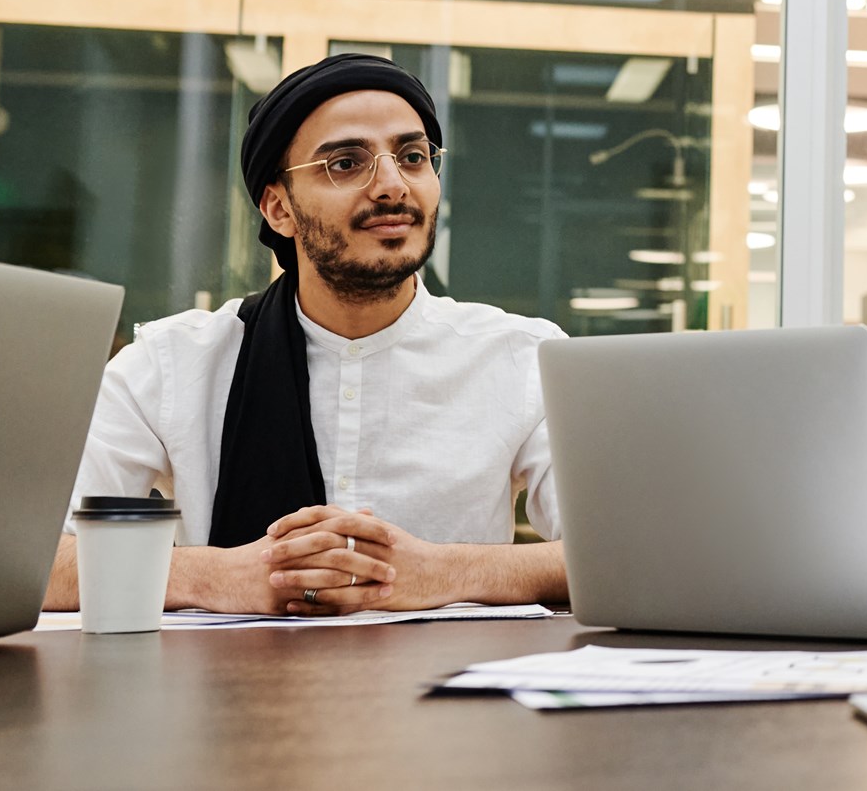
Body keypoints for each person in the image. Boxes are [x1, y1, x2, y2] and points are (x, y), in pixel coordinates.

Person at [44, 54, 568, 616]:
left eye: (413, 157)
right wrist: (216, 576)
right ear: (278, 209)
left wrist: (443, 572)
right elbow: (35, 563)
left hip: (455, 695)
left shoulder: (522, 358)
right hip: (214, 699)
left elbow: (622, 552)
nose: (392, 185)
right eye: (346, 163)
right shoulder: (171, 364)